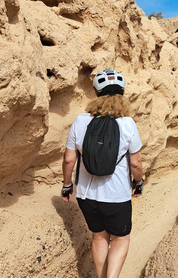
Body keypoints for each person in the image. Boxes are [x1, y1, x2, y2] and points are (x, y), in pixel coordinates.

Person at [61, 69, 144, 278]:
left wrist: (66, 185)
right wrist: (138, 182)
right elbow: (136, 163)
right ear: (122, 94)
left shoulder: (80, 121)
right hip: (116, 196)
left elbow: (69, 160)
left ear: (96, 94)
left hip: (86, 197)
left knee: (99, 238)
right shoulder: (127, 123)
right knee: (120, 239)